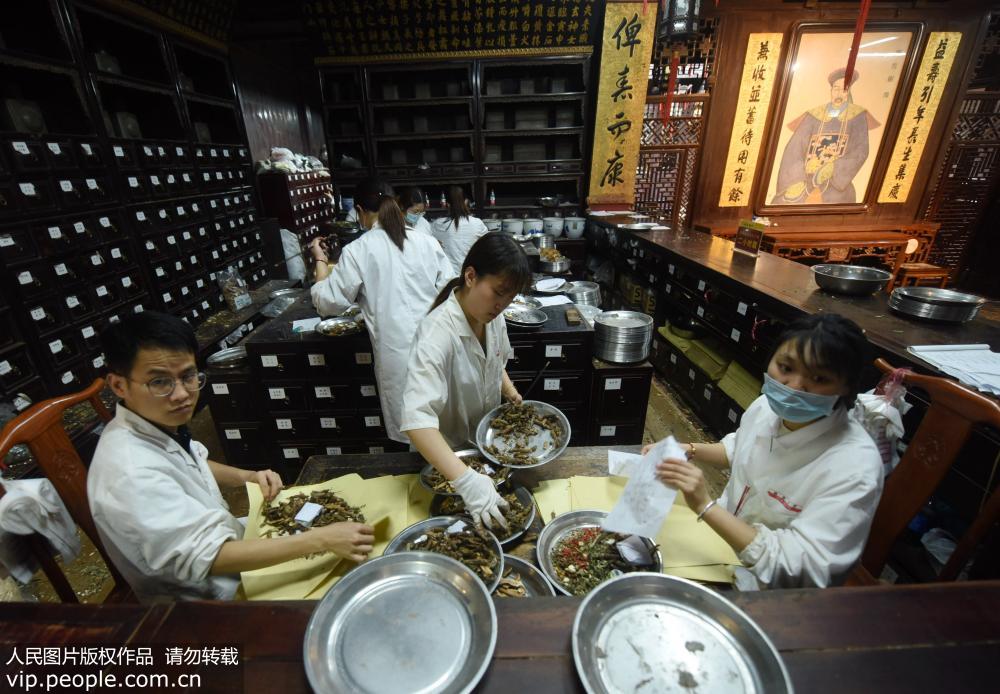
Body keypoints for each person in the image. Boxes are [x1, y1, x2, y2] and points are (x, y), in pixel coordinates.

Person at [88, 312, 374, 602]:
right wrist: (320, 539)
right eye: (160, 382)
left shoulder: (152, 424)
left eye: (188, 376)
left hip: (225, 537)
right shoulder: (130, 472)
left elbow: (191, 461)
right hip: (210, 598)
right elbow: (208, 557)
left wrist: (247, 476)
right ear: (119, 386)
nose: (181, 394)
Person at [651, 314, 883, 589]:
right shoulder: (766, 408)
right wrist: (689, 450)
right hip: (719, 545)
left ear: (846, 388)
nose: (793, 386)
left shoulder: (854, 466)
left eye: (818, 378)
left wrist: (706, 505)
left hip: (769, 591)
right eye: (785, 367)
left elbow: (799, 566)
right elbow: (739, 449)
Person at [401, 233, 531, 528]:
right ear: (470, 276)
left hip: (483, 452)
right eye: (498, 292)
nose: (502, 305)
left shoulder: (491, 317)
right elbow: (416, 420)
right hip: (446, 460)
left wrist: (509, 390)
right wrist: (464, 480)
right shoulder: (436, 334)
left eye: (509, 298)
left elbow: (494, 361)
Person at [310, 178, 454, 444]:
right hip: (437, 346)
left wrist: (319, 259)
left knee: (415, 433)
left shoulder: (359, 249)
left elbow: (328, 302)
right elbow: (450, 293)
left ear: (360, 211)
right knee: (441, 427)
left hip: (396, 355)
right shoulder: (426, 242)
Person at [771, 68, 880, 205]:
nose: (839, 94)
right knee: (782, 203)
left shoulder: (857, 116)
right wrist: (796, 179)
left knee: (836, 203)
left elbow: (860, 151)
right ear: (831, 90)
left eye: (844, 90)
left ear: (849, 92)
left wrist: (833, 168)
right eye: (836, 89)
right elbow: (794, 149)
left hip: (835, 181)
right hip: (805, 178)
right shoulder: (814, 115)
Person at [430, 185, 489, 274]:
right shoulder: (477, 223)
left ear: (447, 204)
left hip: (447, 276)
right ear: (466, 202)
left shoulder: (437, 224)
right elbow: (487, 244)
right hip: (471, 274)